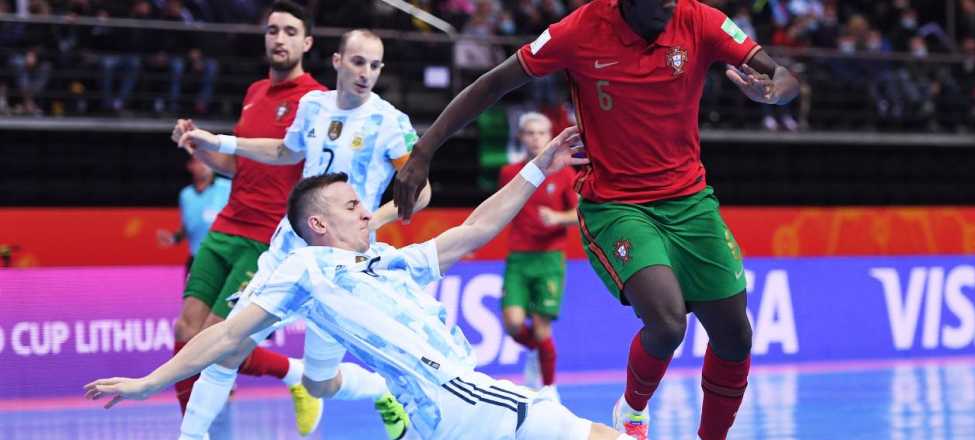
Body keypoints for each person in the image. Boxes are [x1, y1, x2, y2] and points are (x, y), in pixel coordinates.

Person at [392, 1, 800, 439]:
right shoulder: (580, 30)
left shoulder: (700, 20)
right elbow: (494, 83)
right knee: (667, 325)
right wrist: (423, 151)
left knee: (736, 338)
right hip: (617, 205)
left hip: (690, 202)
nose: (670, 4)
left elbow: (785, 75)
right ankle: (632, 409)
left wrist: (775, 91)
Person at [85, 127, 635, 440]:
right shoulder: (307, 269)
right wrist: (148, 383)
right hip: (456, 393)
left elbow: (474, 230)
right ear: (319, 225)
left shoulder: (387, 259)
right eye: (352, 206)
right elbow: (226, 335)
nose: (368, 211)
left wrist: (539, 165)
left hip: (444, 409)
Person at [170, 28, 431, 440]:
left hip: (342, 266)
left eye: (375, 65)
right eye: (358, 62)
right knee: (228, 348)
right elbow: (283, 151)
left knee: (318, 383)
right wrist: (219, 141)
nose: (366, 73)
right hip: (288, 251)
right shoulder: (313, 106)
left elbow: (422, 191)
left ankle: (379, 389)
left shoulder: (390, 122)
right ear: (338, 62)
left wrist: (372, 220)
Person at [166, 1, 327, 436]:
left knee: (218, 341)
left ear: (307, 43)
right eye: (273, 30)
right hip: (226, 227)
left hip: (266, 238)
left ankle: (295, 376)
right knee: (185, 330)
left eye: (290, 31)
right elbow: (238, 164)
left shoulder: (316, 100)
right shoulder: (255, 92)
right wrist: (199, 147)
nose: (280, 39)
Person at [498, 112, 577, 395]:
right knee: (513, 324)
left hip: (549, 259)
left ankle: (548, 389)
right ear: (521, 137)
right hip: (518, 258)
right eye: (530, 133)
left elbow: (580, 213)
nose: (535, 138)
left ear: (550, 136)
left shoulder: (564, 174)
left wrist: (557, 218)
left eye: (541, 133)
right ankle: (536, 352)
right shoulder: (509, 173)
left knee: (543, 327)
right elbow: (499, 210)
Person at [157, 156, 231, 277]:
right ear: (190, 166)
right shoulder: (185, 194)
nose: (204, 165)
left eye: (207, 161)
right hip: (196, 258)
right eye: (199, 161)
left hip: (223, 257)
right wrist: (174, 238)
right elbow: (188, 226)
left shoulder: (228, 187)